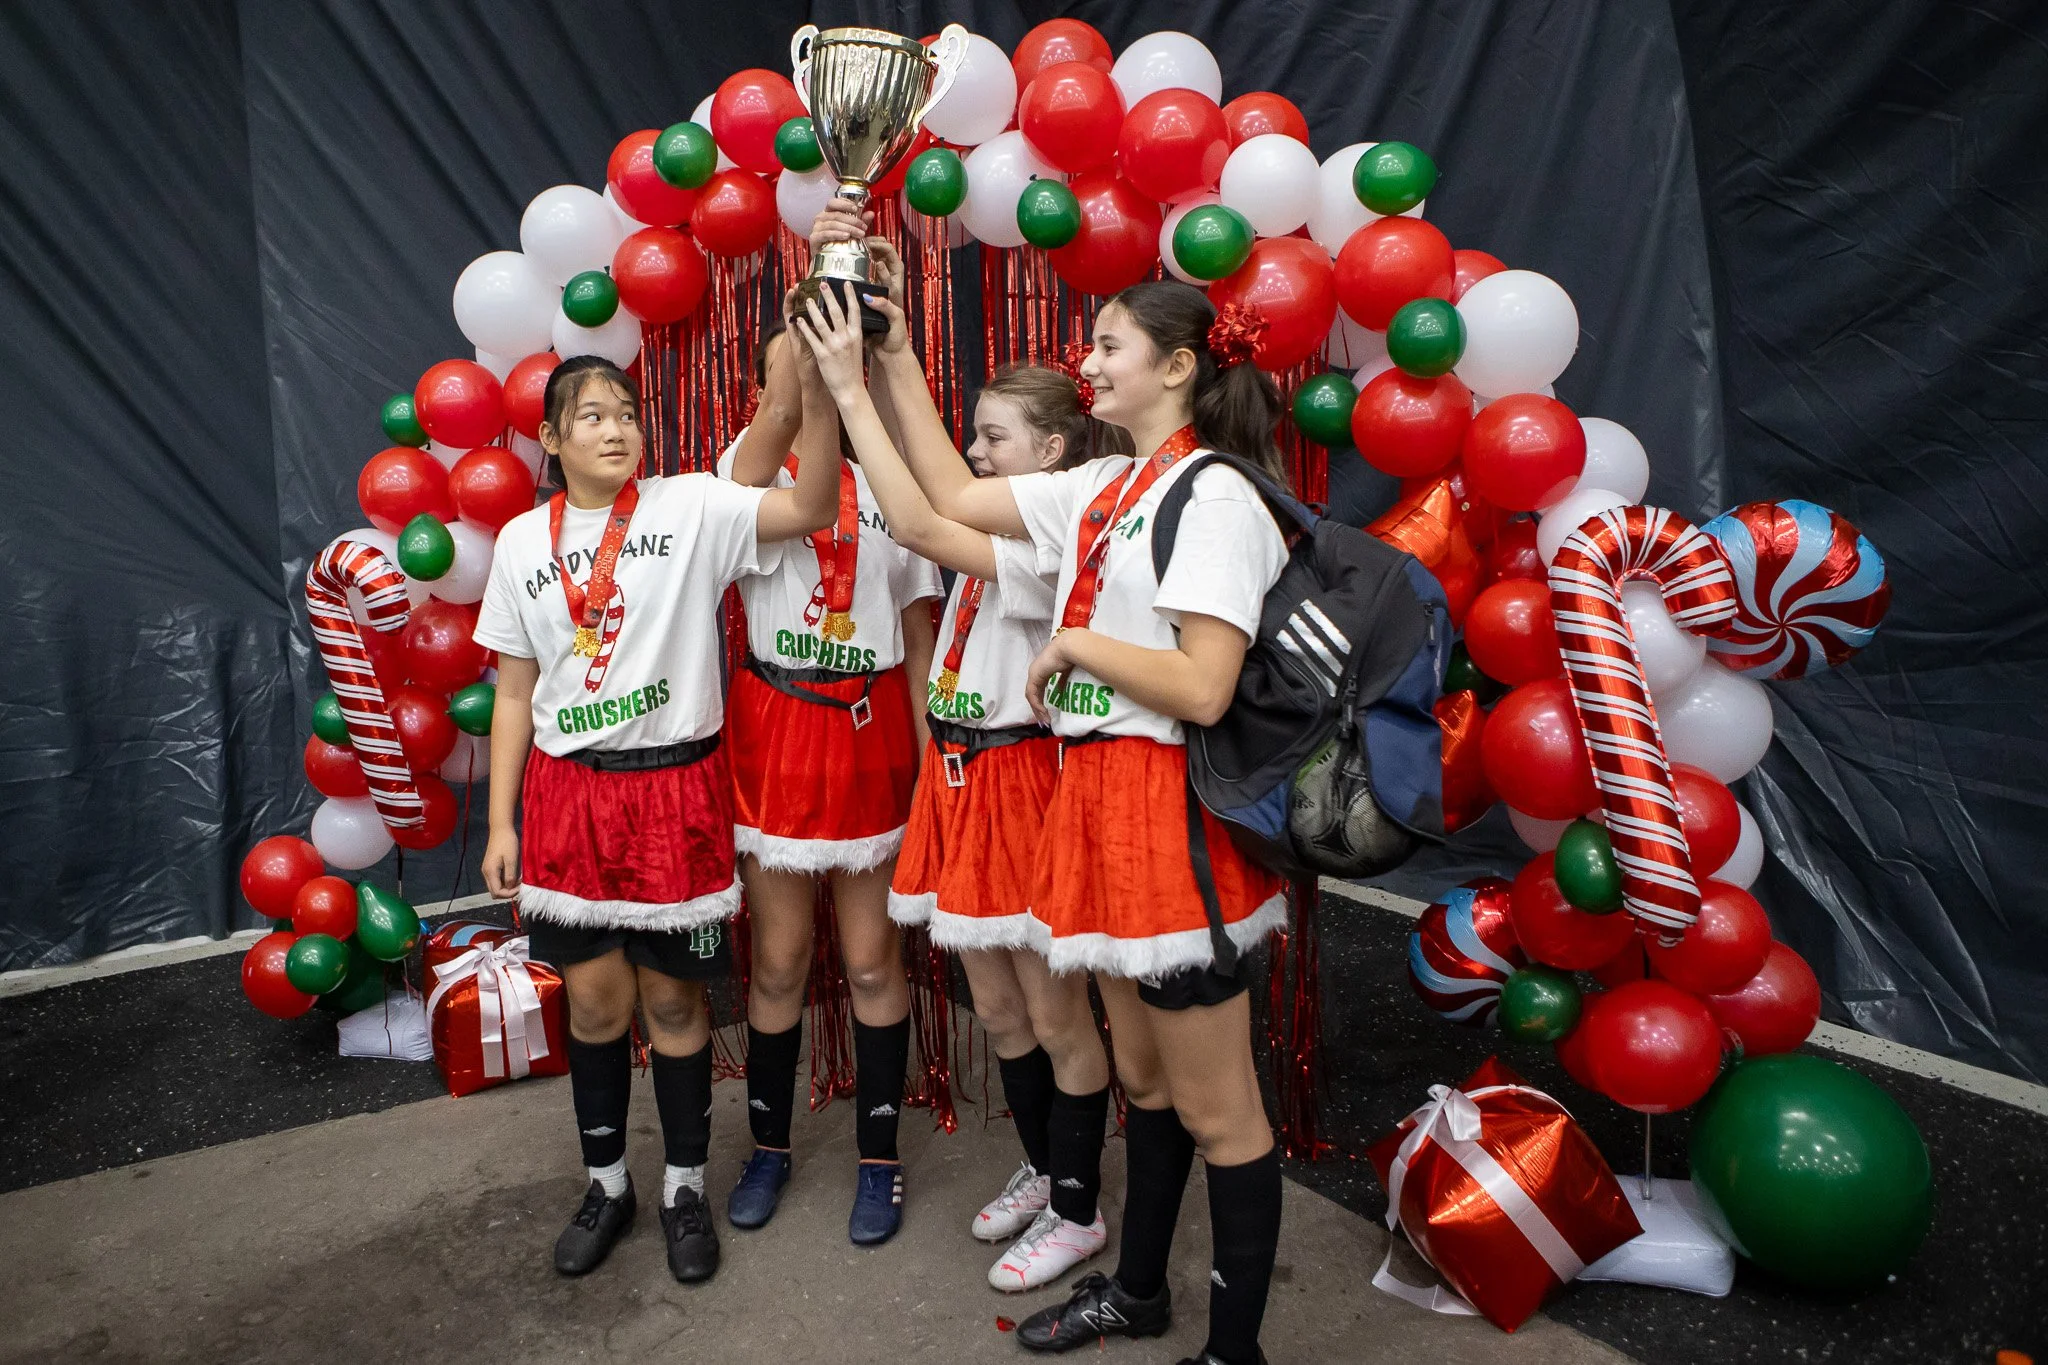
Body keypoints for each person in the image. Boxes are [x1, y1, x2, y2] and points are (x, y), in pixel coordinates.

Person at [861, 279, 1292, 1365]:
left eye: (1108, 347)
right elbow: (947, 498)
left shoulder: (1216, 496)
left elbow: (1203, 687)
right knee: (1142, 1081)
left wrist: (1075, 646)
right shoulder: (1106, 482)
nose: (1087, 364)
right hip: (1092, 801)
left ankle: (1232, 1352)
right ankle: (1137, 1291)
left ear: (1178, 366)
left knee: (1221, 1114)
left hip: (1168, 812)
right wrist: (887, 359)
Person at [475, 346, 841, 1286]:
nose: (616, 429)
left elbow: (810, 508)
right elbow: (514, 691)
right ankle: (608, 1186)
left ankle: (684, 1188)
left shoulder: (691, 506)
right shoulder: (519, 542)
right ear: (550, 438)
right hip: (569, 797)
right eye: (591, 416)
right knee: (596, 1004)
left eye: (628, 413)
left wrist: (822, 389)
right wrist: (502, 823)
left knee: (676, 1003)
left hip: (676, 792)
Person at [793, 272, 1123, 1292]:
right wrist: (887, 348)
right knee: (998, 1007)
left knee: (1057, 1016)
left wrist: (857, 386)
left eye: (992, 438)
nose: (973, 453)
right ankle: (1046, 1169)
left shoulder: (1050, 536)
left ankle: (1079, 1210)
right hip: (956, 774)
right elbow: (937, 501)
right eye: (971, 434)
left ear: (1053, 453)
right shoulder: (1007, 528)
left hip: (1019, 776)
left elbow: (927, 522)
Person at [716, 274, 942, 1248]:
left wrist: (934, 770)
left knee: (871, 959)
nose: (813, 368)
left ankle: (878, 1160)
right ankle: (768, 1147)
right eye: (796, 355)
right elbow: (769, 436)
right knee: (778, 961)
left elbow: (923, 642)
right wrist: (794, 375)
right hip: (777, 731)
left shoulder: (895, 491)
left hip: (872, 730)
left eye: (826, 354)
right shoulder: (745, 476)